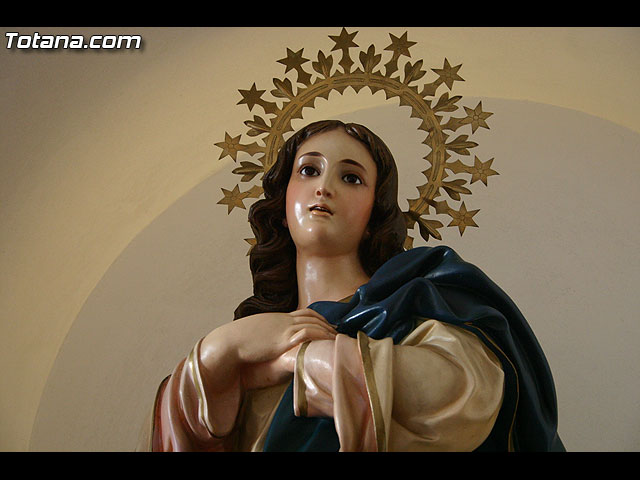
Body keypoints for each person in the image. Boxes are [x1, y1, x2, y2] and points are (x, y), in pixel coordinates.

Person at [138, 120, 564, 452]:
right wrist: (219, 351)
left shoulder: (422, 297)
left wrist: (310, 360)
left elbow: (468, 394)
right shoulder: (249, 346)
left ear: (373, 215)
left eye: (351, 178)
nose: (324, 187)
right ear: (283, 205)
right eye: (309, 171)